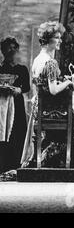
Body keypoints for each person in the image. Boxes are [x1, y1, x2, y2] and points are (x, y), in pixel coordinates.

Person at [21, 22, 74, 168]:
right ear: (47, 40)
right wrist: (68, 82)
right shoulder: (50, 62)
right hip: (51, 110)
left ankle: (50, 157)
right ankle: (61, 160)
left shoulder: (38, 59)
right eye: (57, 37)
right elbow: (53, 90)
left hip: (40, 107)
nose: (60, 41)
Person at [0, 38, 30, 172]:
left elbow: (27, 87)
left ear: (17, 49)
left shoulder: (22, 69)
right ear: (2, 51)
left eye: (13, 47)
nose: (11, 50)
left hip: (17, 103)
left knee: (17, 131)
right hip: (1, 104)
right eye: (7, 48)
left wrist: (19, 89)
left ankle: (14, 165)